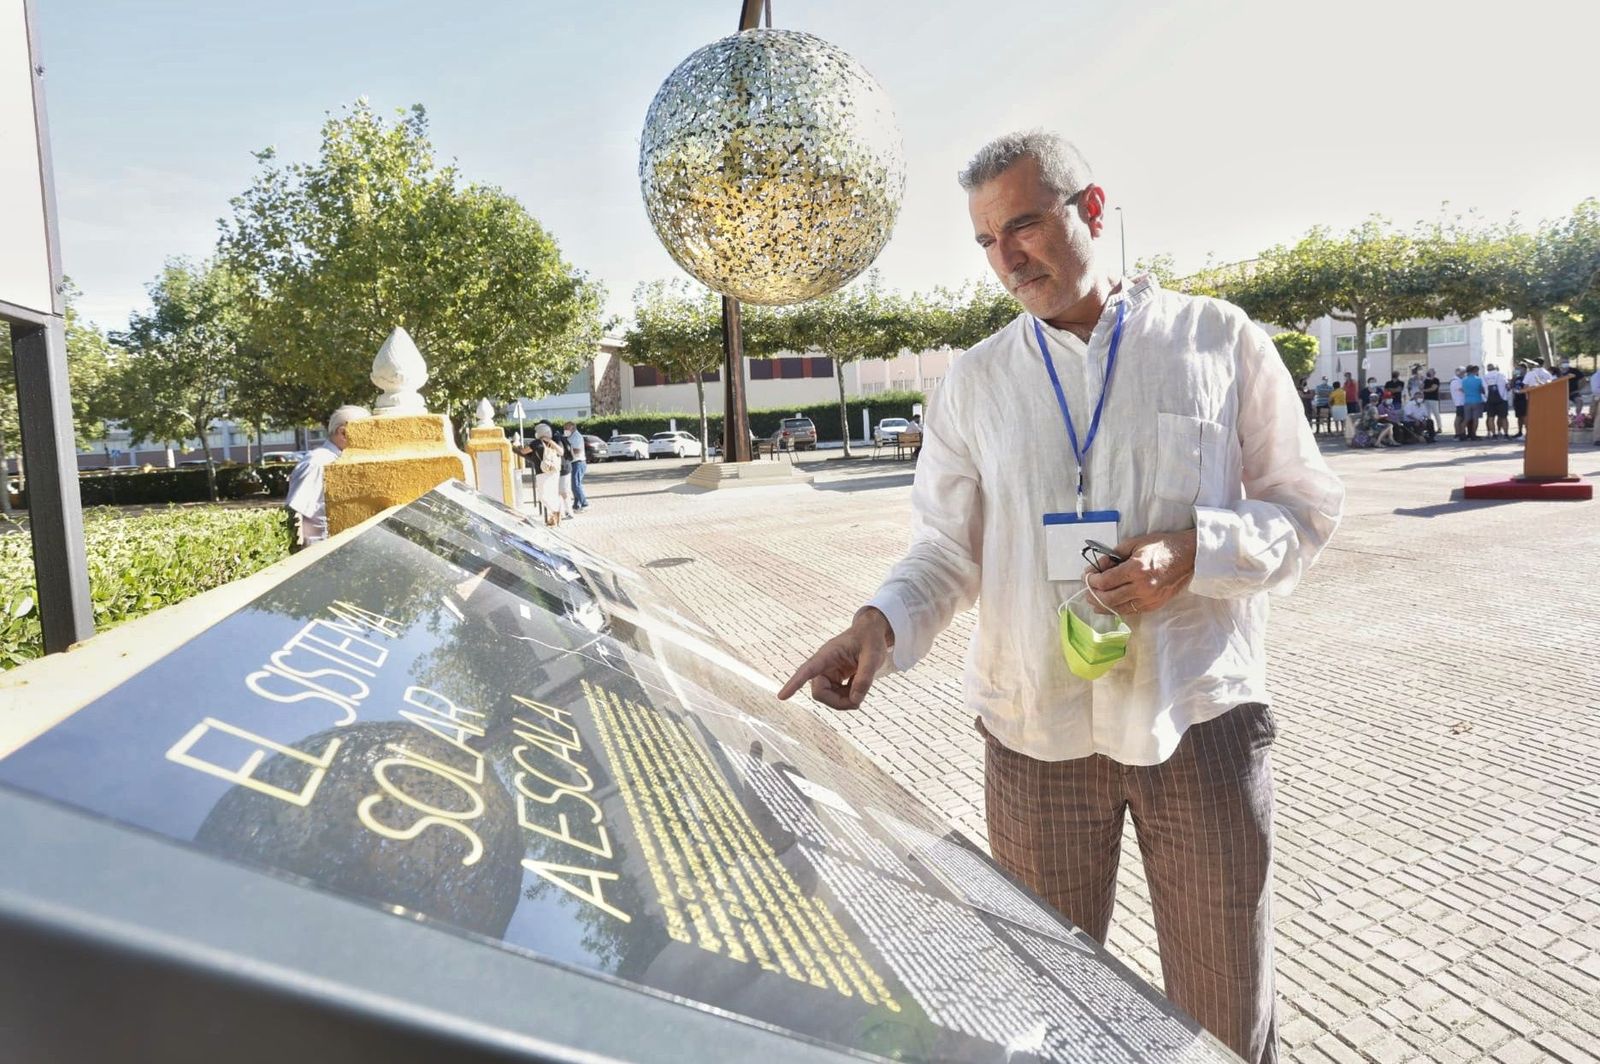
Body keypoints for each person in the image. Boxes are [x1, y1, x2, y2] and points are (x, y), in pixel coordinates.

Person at [777, 132, 1341, 1064]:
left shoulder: (1216, 339)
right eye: (988, 241)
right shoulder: (975, 382)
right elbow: (943, 548)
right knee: (1042, 1014)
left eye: (1025, 224)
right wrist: (878, 625)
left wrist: (1197, 553)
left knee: (1223, 1014)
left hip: (1195, 716)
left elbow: (1305, 506)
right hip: (1035, 732)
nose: (1007, 258)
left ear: (1091, 208)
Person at [285, 405, 370, 549]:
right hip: (321, 553)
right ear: (343, 433)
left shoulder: (338, 460)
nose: (370, 439)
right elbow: (298, 517)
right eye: (366, 432)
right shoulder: (317, 463)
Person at [563, 421, 588, 513]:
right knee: (575, 485)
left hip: (578, 462)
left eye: (567, 428)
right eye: (564, 428)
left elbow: (577, 450)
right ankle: (576, 506)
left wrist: (566, 451)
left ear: (573, 428)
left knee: (575, 485)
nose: (565, 430)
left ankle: (585, 503)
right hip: (574, 462)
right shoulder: (570, 436)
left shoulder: (577, 436)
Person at [1482, 363, 1511, 439]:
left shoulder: (1484, 377)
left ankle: (1494, 435)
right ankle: (1505, 434)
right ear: (1495, 368)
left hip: (1489, 400)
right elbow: (1508, 386)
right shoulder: (1501, 375)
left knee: (1491, 418)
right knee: (1504, 417)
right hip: (1502, 399)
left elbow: (1482, 389)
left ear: (1487, 369)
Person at [1448, 368, 1467, 440]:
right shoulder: (1455, 381)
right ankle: (1457, 434)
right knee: (1459, 418)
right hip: (1460, 402)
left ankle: (1462, 433)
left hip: (1462, 402)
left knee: (1461, 418)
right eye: (1463, 373)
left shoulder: (1459, 380)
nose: (1464, 374)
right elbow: (1463, 389)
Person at [1421, 369, 1442, 433]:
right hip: (1426, 399)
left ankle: (1439, 427)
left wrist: (1424, 390)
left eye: (1430, 372)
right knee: (1427, 414)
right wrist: (1422, 381)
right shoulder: (1425, 380)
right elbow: (1420, 387)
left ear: (1433, 373)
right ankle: (1429, 428)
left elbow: (1433, 388)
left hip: (1433, 399)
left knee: (1436, 413)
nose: (1428, 372)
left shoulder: (1436, 380)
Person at [1510, 366, 1529, 438]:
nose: (1518, 370)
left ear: (1524, 369)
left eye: (1520, 369)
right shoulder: (1516, 378)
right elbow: (1511, 386)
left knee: (1525, 416)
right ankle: (1519, 432)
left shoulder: (1527, 377)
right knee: (1519, 417)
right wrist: (1513, 378)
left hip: (1524, 398)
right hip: (1517, 399)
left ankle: (1528, 432)